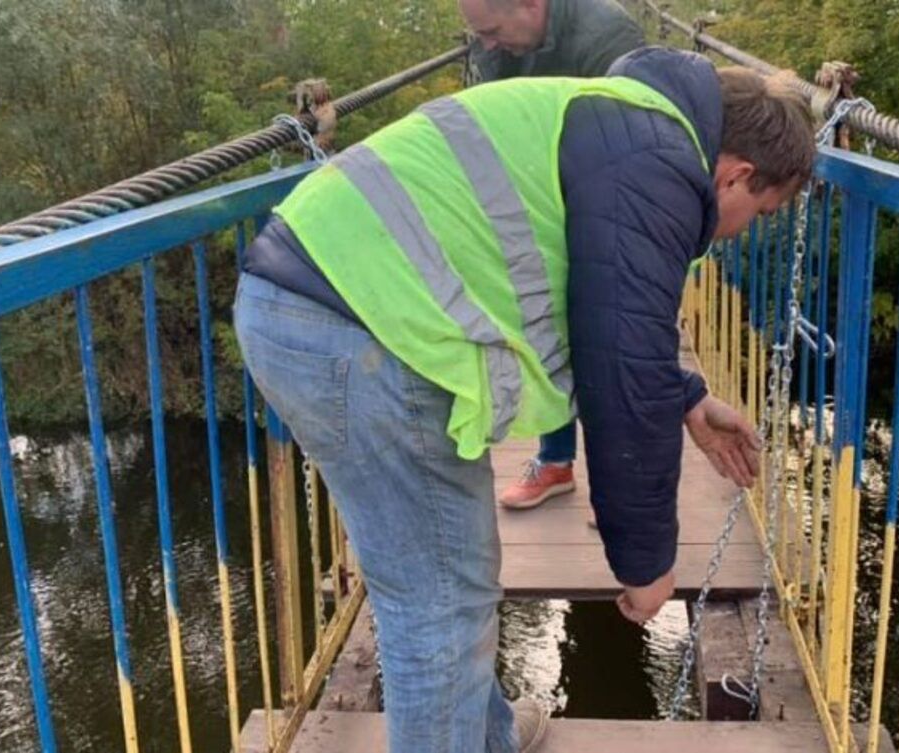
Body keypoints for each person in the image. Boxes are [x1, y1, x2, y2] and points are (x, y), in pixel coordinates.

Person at [236, 47, 815, 753]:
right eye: (758, 211)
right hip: (356, 331)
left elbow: (608, 302)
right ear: (737, 173)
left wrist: (689, 398)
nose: (742, 229)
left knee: (445, 584)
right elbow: (622, 374)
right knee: (440, 606)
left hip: (321, 307)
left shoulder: (632, 127)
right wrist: (647, 564)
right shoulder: (659, 165)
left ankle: (493, 738)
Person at [459, 0, 646, 509]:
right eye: (480, 36)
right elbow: (485, 121)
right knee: (542, 328)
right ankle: (556, 462)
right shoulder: (490, 42)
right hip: (533, 203)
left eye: (493, 31)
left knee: (612, 338)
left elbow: (630, 138)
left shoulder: (608, 34)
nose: (487, 44)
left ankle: (622, 482)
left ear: (531, 5)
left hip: (606, 202)